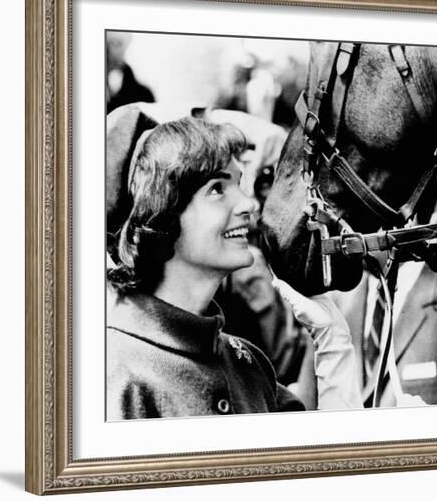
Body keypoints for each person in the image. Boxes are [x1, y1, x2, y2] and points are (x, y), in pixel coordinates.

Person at [106, 116, 307, 420]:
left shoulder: (251, 366)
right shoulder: (114, 371)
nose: (248, 204)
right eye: (217, 189)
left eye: (238, 183)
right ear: (162, 214)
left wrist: (332, 344)